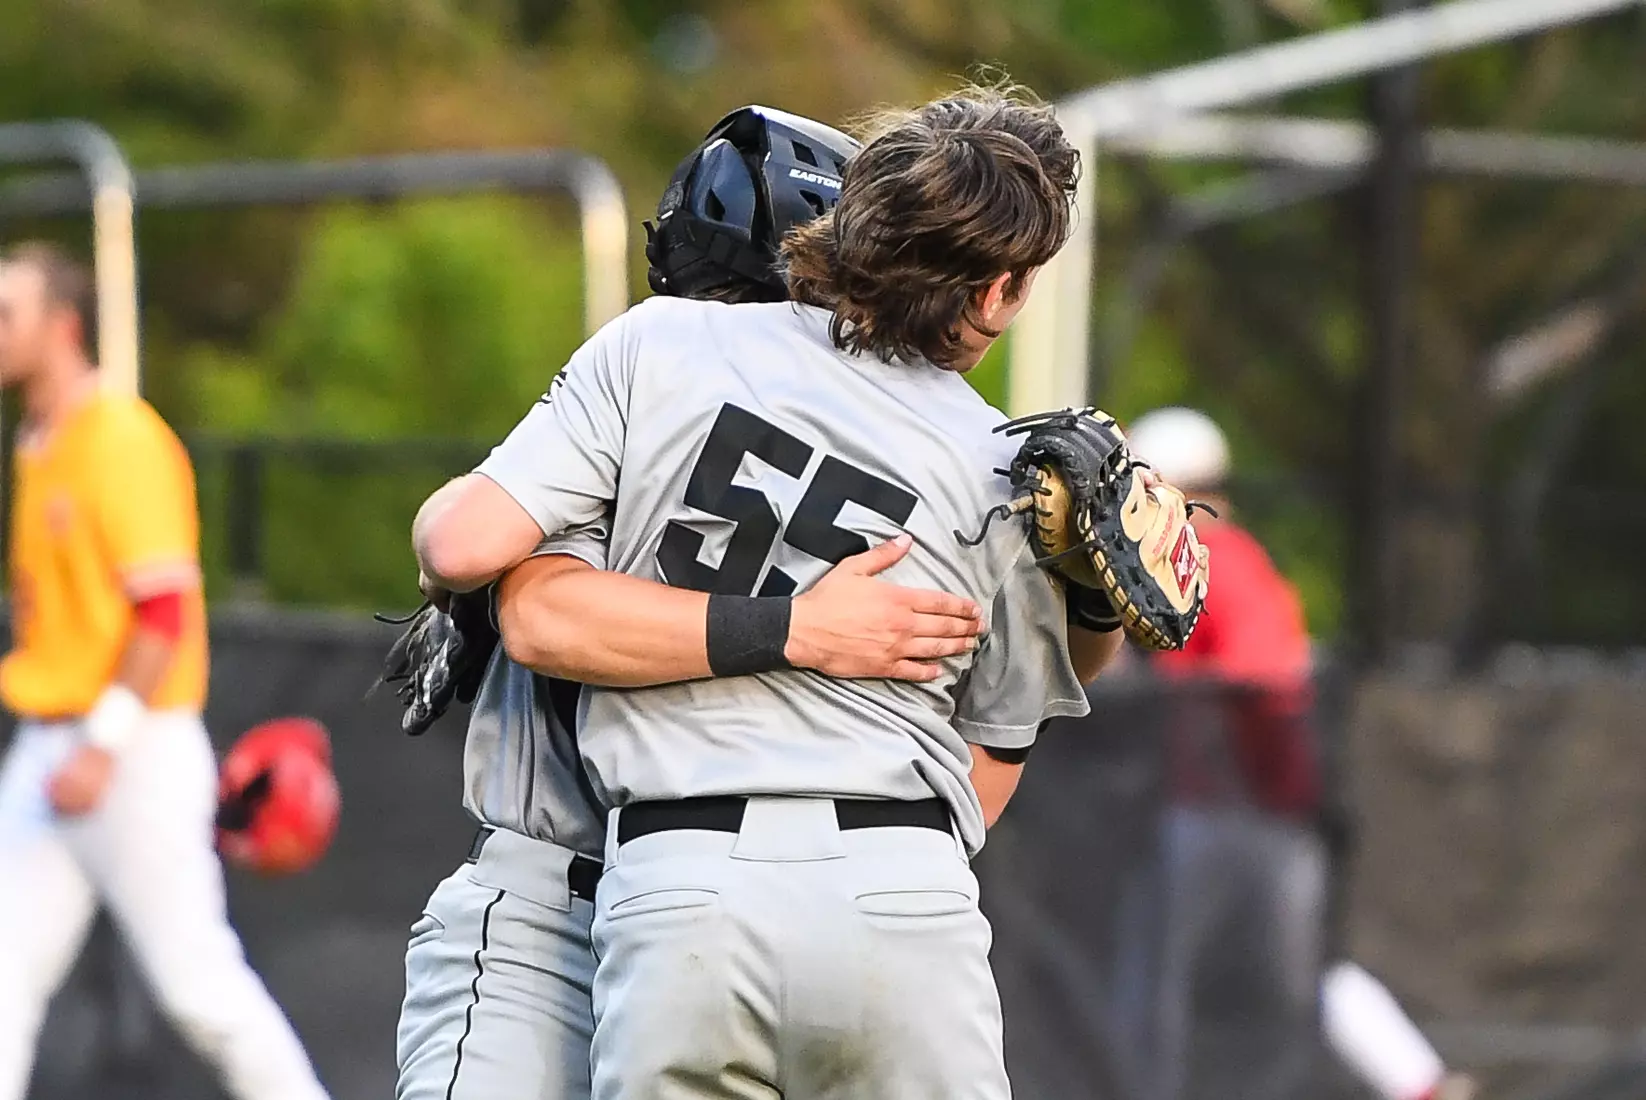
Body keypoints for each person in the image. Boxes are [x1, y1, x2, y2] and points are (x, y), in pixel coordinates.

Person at [411, 85, 1123, 1099]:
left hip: (661, 885)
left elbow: (471, 552)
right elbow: (994, 751)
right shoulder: (997, 462)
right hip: (887, 881)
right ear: (996, 288)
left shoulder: (655, 352)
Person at [0, 242, 330, 1100]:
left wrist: (103, 746)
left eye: (8, 314)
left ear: (64, 326)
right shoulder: (40, 439)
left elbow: (167, 612)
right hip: (51, 747)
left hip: (129, 748)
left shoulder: (121, 439)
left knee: (199, 994)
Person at [1115, 406, 1475, 1100]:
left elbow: (1263, 685)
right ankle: (1425, 1086)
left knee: (1150, 983)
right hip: (1263, 814)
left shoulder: (1214, 558)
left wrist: (1263, 774)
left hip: (1222, 815)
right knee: (1302, 975)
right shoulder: (1219, 559)